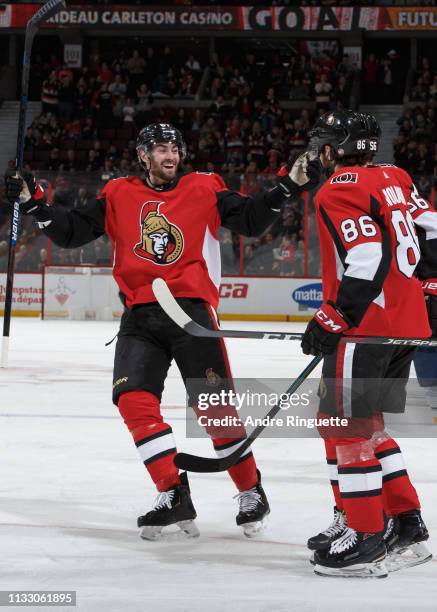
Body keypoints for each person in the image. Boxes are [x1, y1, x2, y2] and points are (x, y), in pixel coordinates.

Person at [5, 123, 319, 540]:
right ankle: (172, 492)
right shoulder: (117, 193)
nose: (170, 156)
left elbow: (251, 221)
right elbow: (72, 231)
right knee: (133, 401)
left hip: (192, 315)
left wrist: (287, 186)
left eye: (175, 148)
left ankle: (250, 490)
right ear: (143, 156)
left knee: (215, 411)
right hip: (141, 316)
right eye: (160, 149)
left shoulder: (205, 187)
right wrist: (32, 203)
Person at [300, 110, 434, 578]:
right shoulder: (395, 176)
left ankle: (365, 536)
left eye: (320, 144)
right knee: (367, 427)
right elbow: (431, 228)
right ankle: (407, 524)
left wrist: (333, 316)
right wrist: (427, 284)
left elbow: (367, 255)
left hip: (367, 327)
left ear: (336, 149)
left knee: (346, 428)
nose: (315, 153)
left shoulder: (338, 187)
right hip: (405, 324)